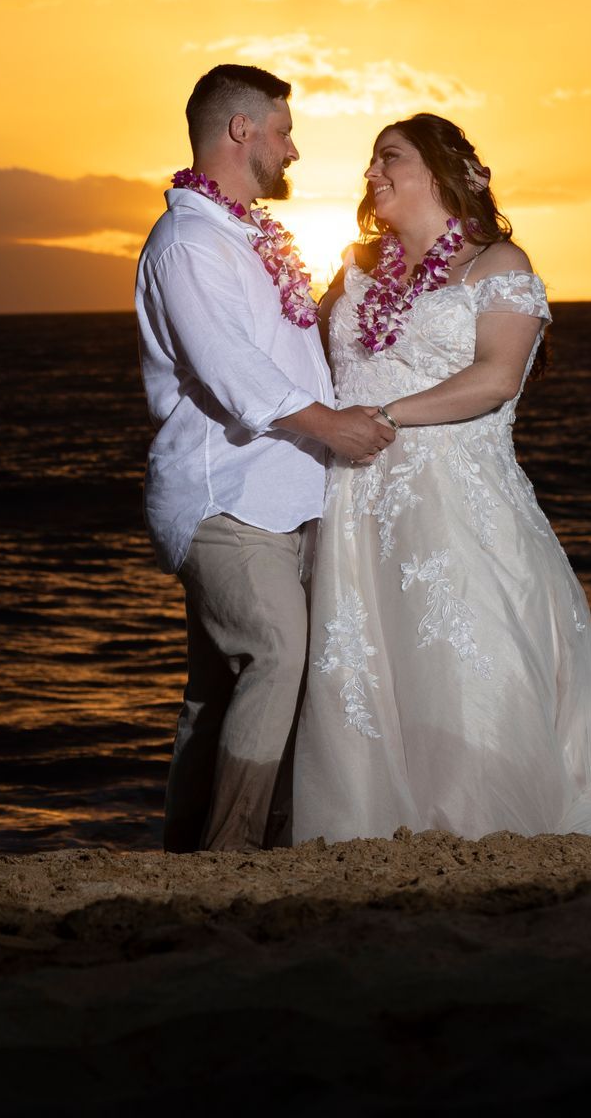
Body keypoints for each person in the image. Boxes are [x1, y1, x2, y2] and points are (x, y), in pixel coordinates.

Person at [292, 113, 591, 842]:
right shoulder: (355, 266)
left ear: (442, 172)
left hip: (457, 499)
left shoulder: (497, 267)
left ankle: (485, 826)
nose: (372, 173)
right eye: (370, 162)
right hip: (355, 497)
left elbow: (493, 379)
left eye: (389, 157)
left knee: (464, 654)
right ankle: (370, 826)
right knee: (364, 659)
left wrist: (378, 412)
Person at [135, 64, 395, 852]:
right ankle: (231, 854)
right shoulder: (186, 242)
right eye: (282, 130)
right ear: (239, 130)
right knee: (278, 651)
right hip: (226, 497)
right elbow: (231, 369)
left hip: (281, 495)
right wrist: (334, 427)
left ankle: (184, 854)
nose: (293, 148)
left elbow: (285, 347)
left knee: (215, 691)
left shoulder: (244, 236)